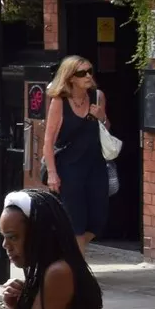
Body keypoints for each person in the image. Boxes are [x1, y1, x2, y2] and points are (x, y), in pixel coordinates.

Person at [41, 54, 112, 248]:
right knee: (76, 222)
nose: (88, 76)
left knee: (98, 219)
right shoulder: (59, 101)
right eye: (82, 73)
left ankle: (67, 252)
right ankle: (78, 271)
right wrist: (52, 174)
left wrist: (102, 116)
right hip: (69, 167)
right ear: (71, 77)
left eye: (90, 71)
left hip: (95, 165)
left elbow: (106, 128)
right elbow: (48, 141)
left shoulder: (98, 96)